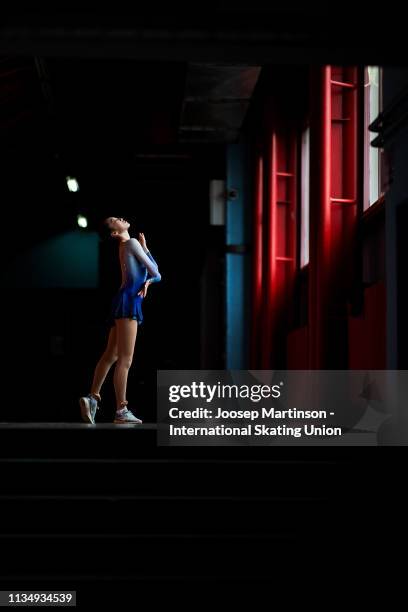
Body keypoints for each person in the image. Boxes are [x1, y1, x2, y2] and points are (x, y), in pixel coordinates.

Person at [79, 217, 161, 424]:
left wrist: (146, 249)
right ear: (114, 233)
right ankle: (121, 410)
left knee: (111, 354)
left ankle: (92, 398)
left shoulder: (127, 246)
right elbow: (156, 273)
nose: (120, 218)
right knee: (125, 359)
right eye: (115, 220)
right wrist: (150, 280)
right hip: (130, 301)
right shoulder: (131, 243)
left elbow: (151, 271)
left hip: (121, 299)